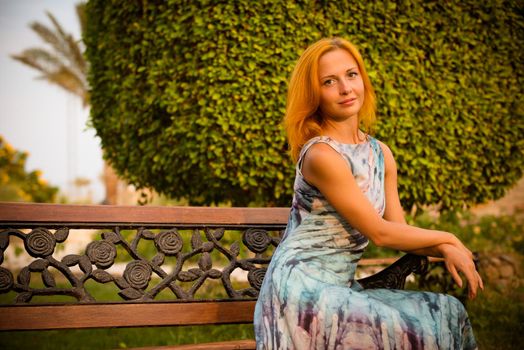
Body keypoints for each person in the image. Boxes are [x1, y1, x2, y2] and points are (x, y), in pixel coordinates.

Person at [254, 37, 483, 350]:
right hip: (301, 292)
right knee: (409, 332)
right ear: (314, 94)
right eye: (329, 82)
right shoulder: (322, 155)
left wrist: (444, 249)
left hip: (341, 290)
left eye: (351, 75)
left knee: (448, 313)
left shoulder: (381, 154)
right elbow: (380, 233)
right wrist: (450, 241)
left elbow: (399, 231)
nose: (346, 89)